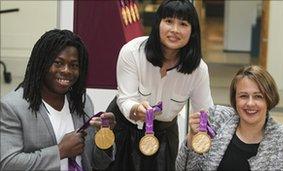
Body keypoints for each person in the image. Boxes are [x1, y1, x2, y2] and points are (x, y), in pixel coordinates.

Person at [106, 0, 213, 170]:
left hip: (164, 135)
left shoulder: (198, 70)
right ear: (158, 24)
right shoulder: (132, 52)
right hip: (124, 129)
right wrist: (136, 110)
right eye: (169, 21)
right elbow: (125, 98)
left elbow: (205, 112)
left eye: (183, 24)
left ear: (192, 32)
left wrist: (200, 127)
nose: (175, 30)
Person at [0, 29, 116, 171]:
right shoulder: (12, 106)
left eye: (74, 65)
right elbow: (8, 164)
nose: (66, 70)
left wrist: (104, 137)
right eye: (58, 63)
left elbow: (97, 163)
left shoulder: (83, 102)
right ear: (42, 64)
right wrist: (60, 151)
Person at [176, 65, 283, 170]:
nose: (250, 103)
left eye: (258, 96)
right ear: (235, 99)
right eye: (243, 96)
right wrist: (192, 140)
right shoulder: (216, 121)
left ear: (269, 99)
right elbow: (183, 168)